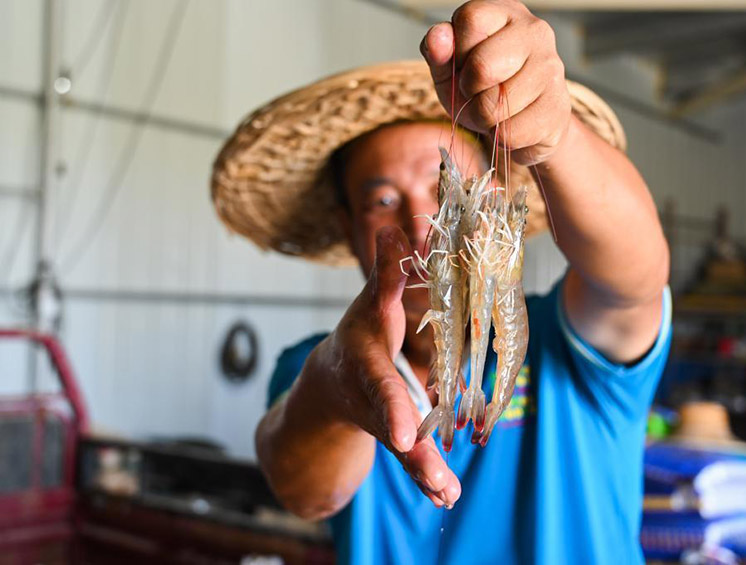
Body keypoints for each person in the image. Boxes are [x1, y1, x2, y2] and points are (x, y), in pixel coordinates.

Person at [211, 1, 671, 563]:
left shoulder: (568, 344)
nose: (423, 225)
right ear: (348, 229)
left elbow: (635, 279)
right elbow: (304, 490)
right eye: (383, 200)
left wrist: (556, 134)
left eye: (442, 189)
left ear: (497, 200)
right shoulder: (320, 366)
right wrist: (334, 392)